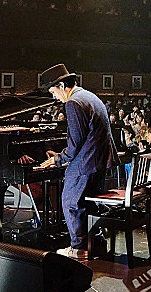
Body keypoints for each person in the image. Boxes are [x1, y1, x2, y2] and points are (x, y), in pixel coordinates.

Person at [30, 64, 117, 259]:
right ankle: (95, 243)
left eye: (53, 92)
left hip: (87, 162)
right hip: (99, 161)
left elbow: (76, 143)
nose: (55, 97)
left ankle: (79, 248)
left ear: (61, 86)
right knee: (88, 203)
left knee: (70, 202)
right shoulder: (89, 96)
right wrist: (64, 155)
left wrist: (59, 158)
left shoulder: (73, 102)